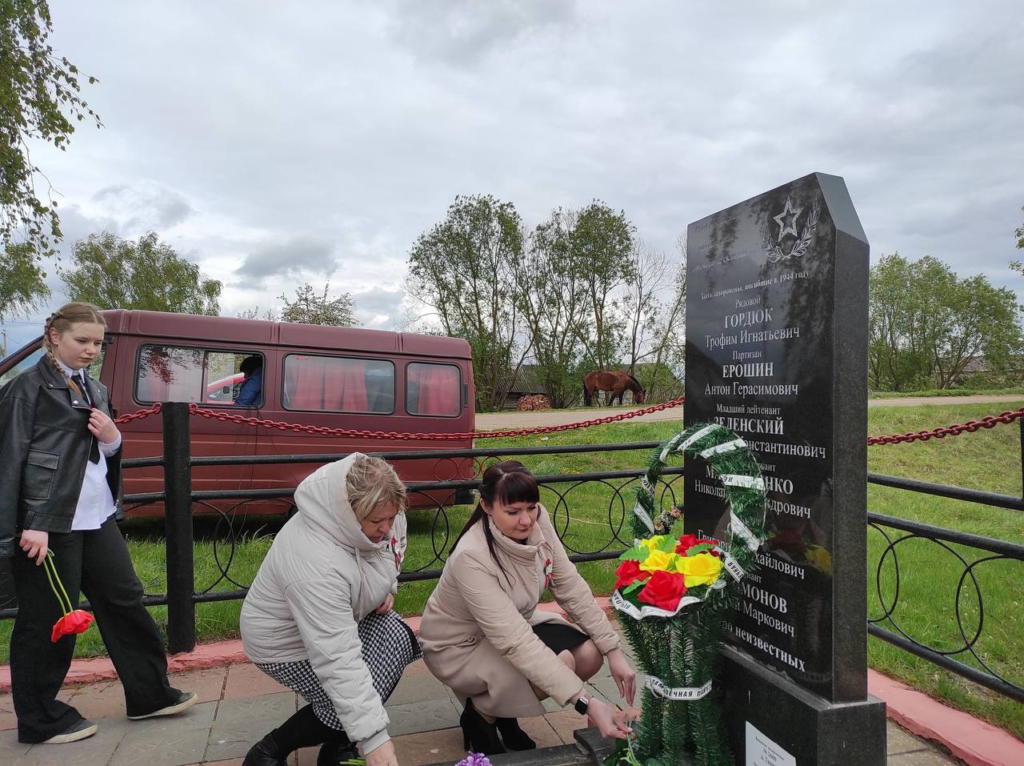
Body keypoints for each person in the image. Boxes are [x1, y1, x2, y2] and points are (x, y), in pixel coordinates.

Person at [0, 302, 197, 745]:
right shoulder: (26, 390)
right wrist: (30, 523)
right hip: (49, 526)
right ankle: (40, 720)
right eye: (82, 340)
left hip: (97, 516)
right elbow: (10, 459)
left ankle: (150, 695)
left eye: (97, 343)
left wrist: (114, 438)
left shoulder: (97, 388)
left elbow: (96, 456)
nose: (91, 349)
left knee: (125, 601)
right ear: (55, 336)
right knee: (49, 619)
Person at [418, 461, 637, 756]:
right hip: (458, 646)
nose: (525, 521)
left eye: (531, 507)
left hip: (515, 623)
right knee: (562, 662)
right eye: (512, 512)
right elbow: (515, 641)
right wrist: (587, 703)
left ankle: (501, 711)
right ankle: (481, 715)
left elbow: (568, 584)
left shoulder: (537, 519)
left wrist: (613, 651)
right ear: (486, 506)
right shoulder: (471, 555)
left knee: (589, 654)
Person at [240, 453, 419, 766]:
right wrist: (374, 738)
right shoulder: (314, 562)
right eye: (377, 521)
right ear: (348, 513)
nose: (387, 528)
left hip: (339, 619)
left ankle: (337, 745)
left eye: (392, 517)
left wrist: (388, 586)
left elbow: (393, 548)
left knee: (395, 636)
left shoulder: (386, 512)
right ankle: (269, 750)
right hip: (281, 643)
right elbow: (336, 657)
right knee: (341, 703)